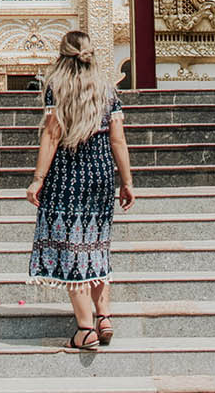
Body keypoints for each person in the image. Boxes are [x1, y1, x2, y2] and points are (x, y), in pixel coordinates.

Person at [24, 29, 135, 352]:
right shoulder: (107, 90)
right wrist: (126, 181)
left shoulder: (57, 88)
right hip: (101, 174)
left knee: (73, 247)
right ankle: (104, 317)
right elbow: (118, 140)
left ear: (62, 56)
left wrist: (38, 178)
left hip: (69, 174)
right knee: (97, 243)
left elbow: (52, 136)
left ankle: (85, 330)